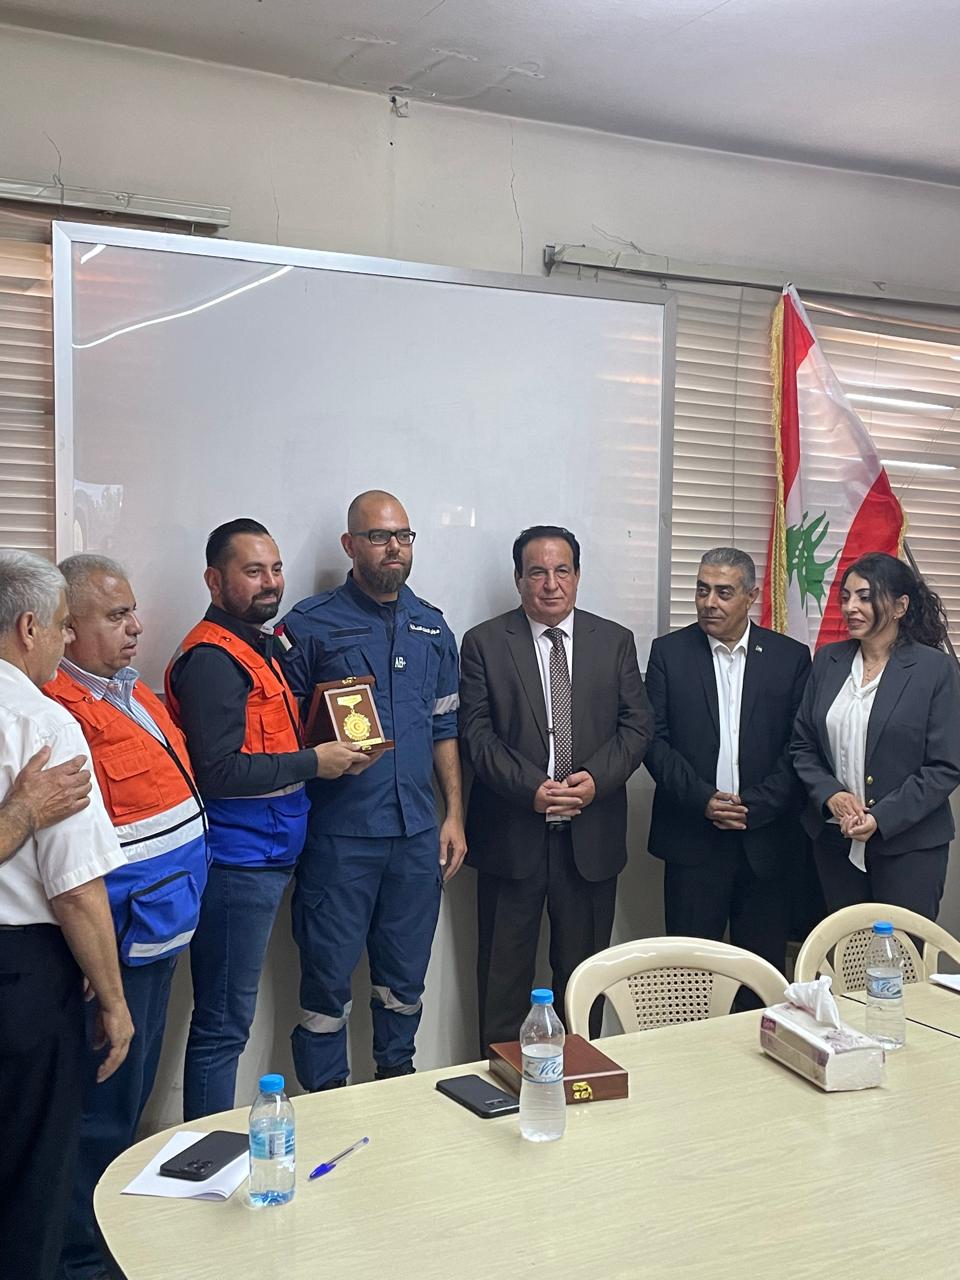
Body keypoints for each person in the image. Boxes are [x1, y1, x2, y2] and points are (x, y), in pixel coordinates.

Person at [165, 519, 370, 1119]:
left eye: (275, 569)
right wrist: (316, 762)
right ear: (214, 580)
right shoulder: (212, 659)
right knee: (224, 1023)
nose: (271, 582)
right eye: (253, 571)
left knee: (233, 1018)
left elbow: (270, 740)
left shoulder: (260, 646)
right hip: (238, 863)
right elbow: (219, 771)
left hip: (276, 852)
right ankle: (207, 1155)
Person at [44, 555, 208, 1280]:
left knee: (131, 1098)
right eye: (115, 616)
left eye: (132, 610)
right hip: (115, 947)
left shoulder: (133, 691)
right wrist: (96, 961)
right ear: (66, 628)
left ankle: (109, 1237)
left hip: (160, 931)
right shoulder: (57, 715)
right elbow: (71, 862)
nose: (136, 626)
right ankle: (82, 1257)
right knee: (100, 1112)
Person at [279, 490, 466, 1089]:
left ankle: (397, 1091)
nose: (394, 548)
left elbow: (444, 728)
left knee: (404, 983)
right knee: (326, 987)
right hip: (339, 837)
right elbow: (280, 732)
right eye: (380, 536)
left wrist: (454, 815)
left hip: (416, 836)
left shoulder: (432, 627)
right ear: (350, 544)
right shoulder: (307, 625)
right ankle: (325, 1106)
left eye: (403, 536)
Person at [459, 525, 652, 1050]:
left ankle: (580, 1076)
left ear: (578, 575)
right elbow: (476, 734)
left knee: (583, 978)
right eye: (538, 572)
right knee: (502, 979)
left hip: (590, 837)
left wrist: (596, 781)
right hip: (511, 834)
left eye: (562, 570)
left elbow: (637, 727)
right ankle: (500, 1081)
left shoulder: (614, 641)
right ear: (518, 578)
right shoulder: (483, 643)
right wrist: (532, 788)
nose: (551, 584)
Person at [0, 550, 132, 1280]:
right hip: (21, 977)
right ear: (28, 628)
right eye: (59, 626)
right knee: (31, 1176)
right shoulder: (42, 723)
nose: (64, 641)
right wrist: (112, 999)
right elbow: (77, 890)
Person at [644, 547, 811, 977]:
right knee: (688, 977)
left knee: (762, 975)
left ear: (751, 596)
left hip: (766, 840)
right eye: (702, 590)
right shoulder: (669, 653)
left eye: (723, 592)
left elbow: (800, 746)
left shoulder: (790, 658)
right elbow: (654, 742)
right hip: (692, 836)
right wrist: (703, 799)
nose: (709, 602)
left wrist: (756, 804)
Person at [790, 552, 960, 920]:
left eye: (865, 597)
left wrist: (881, 817)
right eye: (846, 597)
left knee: (901, 950)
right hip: (834, 842)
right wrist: (830, 794)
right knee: (847, 948)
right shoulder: (828, 660)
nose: (850, 607)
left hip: (909, 846)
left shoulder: (935, 669)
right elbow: (802, 745)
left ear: (900, 606)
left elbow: (945, 766)